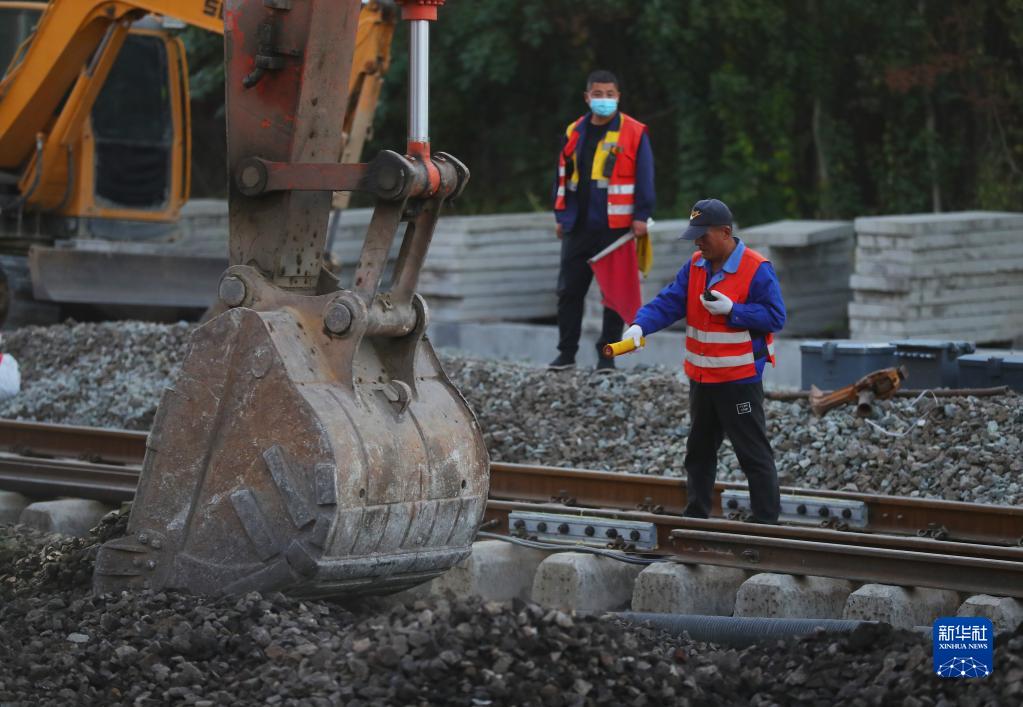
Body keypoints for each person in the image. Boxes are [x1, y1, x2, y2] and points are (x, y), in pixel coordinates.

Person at [624, 199, 785, 523]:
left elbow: (775, 317)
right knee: (698, 452)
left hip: (738, 381)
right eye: (694, 235)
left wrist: (734, 311)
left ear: (725, 232)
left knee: (752, 453)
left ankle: (767, 522)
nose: (697, 242)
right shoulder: (696, 265)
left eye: (703, 235)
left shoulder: (756, 269)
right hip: (702, 379)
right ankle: (696, 516)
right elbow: (669, 302)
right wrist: (640, 326)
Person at [550, 69, 655, 373]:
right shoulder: (574, 131)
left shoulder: (634, 132)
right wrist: (560, 214)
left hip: (616, 227)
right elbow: (562, 176)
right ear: (587, 97)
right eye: (598, 94)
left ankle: (606, 357)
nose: (604, 100)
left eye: (610, 94)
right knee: (569, 291)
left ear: (618, 97)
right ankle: (566, 354)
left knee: (613, 294)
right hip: (578, 225)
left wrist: (641, 215)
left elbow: (645, 177)